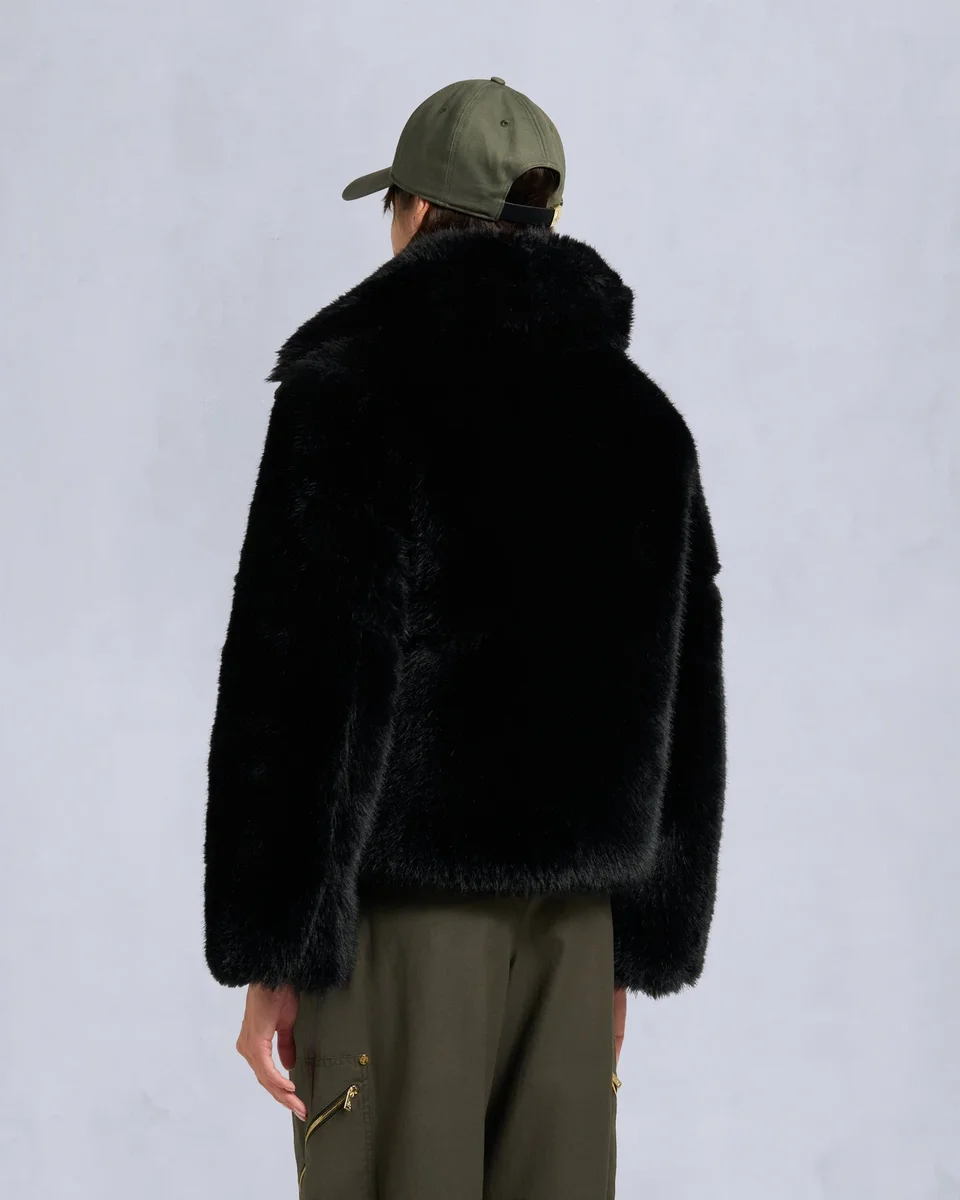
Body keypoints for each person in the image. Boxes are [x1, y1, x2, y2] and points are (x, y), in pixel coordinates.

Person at [204, 76, 727, 1200]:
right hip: (576, 934)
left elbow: (299, 690)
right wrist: (633, 948)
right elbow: (685, 701)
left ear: (414, 214)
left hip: (400, 929)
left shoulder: (349, 396)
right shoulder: (644, 423)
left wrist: (273, 949)